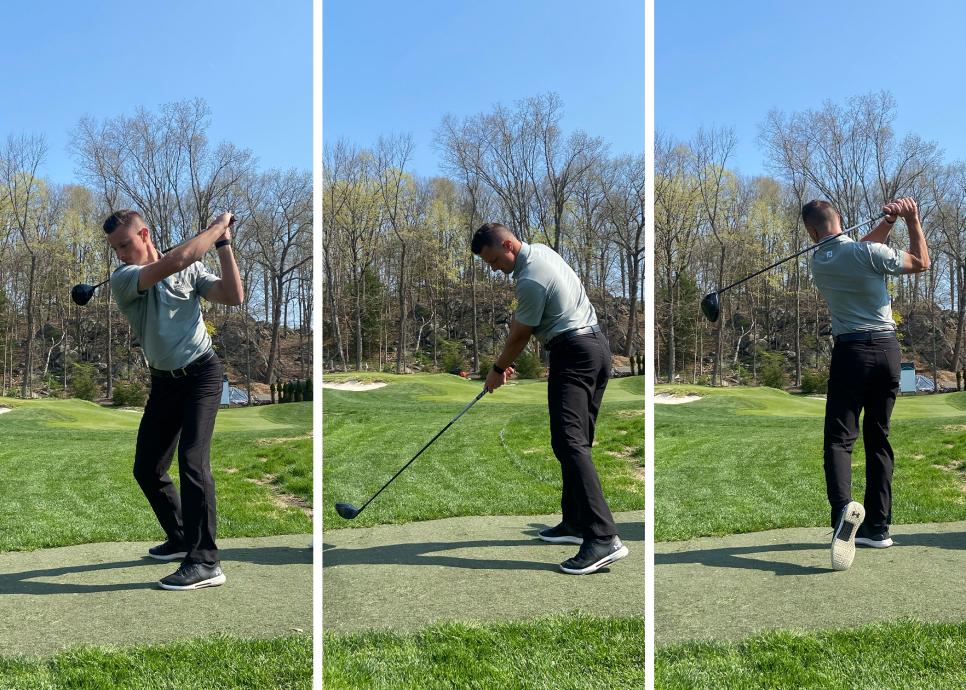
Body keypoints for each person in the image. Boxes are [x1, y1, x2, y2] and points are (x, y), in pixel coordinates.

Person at [472, 222, 628, 575]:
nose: (495, 269)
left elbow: (519, 334)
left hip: (573, 353)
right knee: (575, 442)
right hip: (594, 348)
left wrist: (498, 368)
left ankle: (603, 538)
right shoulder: (542, 251)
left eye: (495, 260)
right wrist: (506, 362)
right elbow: (528, 325)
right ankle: (575, 521)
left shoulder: (530, 278)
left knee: (569, 442)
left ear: (509, 245)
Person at [104, 209, 244, 590]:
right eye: (114, 248)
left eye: (124, 245)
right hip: (164, 382)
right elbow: (177, 260)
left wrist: (224, 243)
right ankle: (182, 535)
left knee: (192, 461)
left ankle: (205, 561)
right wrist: (217, 226)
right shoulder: (124, 278)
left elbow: (233, 295)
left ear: (144, 234)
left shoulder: (189, 270)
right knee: (147, 468)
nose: (118, 254)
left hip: (202, 374)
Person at [803, 197, 929, 571]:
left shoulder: (818, 262)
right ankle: (878, 527)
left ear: (811, 231)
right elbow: (921, 263)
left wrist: (887, 223)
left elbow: (859, 252)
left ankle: (843, 512)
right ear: (840, 219)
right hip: (887, 351)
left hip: (850, 353)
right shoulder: (869, 252)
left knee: (840, 440)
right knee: (879, 438)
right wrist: (912, 220)